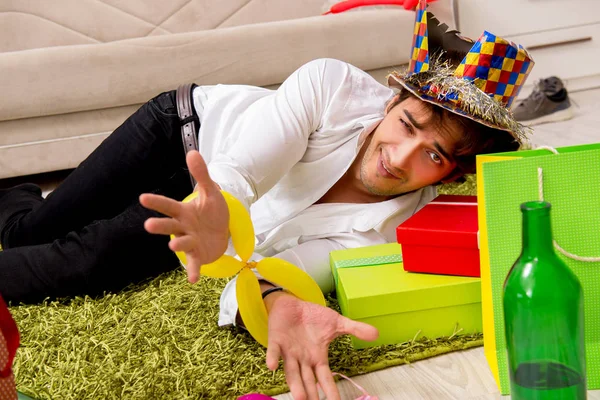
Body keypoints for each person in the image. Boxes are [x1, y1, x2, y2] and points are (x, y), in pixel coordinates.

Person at [0, 3, 533, 399]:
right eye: (407, 124)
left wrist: (276, 297)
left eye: (433, 156)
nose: (401, 156)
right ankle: (16, 198)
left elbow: (284, 263)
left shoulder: (398, 224)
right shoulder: (332, 85)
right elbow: (242, 172)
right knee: (26, 233)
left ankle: (19, 197)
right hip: (183, 134)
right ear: (392, 100)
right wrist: (216, 208)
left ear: (454, 171)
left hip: (210, 208)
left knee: (87, 260)